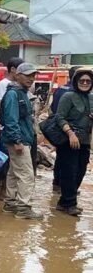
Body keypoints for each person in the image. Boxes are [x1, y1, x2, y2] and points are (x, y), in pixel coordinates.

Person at [0, 63, 42, 220]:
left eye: (33, 75)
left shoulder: (21, 92)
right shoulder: (13, 94)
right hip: (19, 141)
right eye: (28, 75)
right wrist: (17, 140)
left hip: (22, 139)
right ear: (17, 75)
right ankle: (23, 208)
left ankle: (10, 203)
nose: (31, 78)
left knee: (13, 173)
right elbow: (11, 120)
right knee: (26, 175)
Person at [53, 68, 93, 216]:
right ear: (76, 81)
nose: (84, 83)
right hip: (69, 140)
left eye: (88, 81)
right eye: (81, 80)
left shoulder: (91, 98)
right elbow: (59, 117)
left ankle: (64, 202)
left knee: (81, 171)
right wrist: (70, 133)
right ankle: (69, 203)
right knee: (69, 172)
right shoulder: (68, 96)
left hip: (84, 141)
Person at [0, 57, 24, 200]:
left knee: (10, 162)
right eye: (21, 70)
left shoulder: (18, 86)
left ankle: (5, 191)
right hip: (4, 128)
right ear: (13, 70)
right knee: (3, 161)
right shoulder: (3, 84)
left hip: (11, 128)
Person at [50, 65, 82, 191]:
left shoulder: (59, 89)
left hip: (58, 129)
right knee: (71, 160)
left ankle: (57, 182)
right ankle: (66, 187)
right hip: (71, 129)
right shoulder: (75, 92)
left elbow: (53, 109)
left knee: (61, 156)